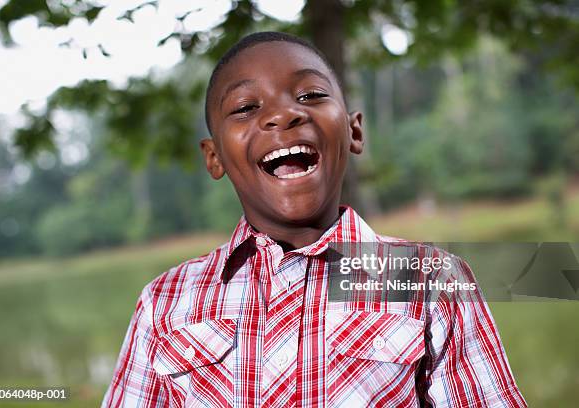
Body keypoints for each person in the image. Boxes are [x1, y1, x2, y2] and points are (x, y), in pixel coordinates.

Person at [102, 31, 527, 407]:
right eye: (246, 107)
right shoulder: (165, 301)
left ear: (354, 130)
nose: (284, 115)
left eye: (310, 95)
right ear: (214, 157)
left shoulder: (430, 280)